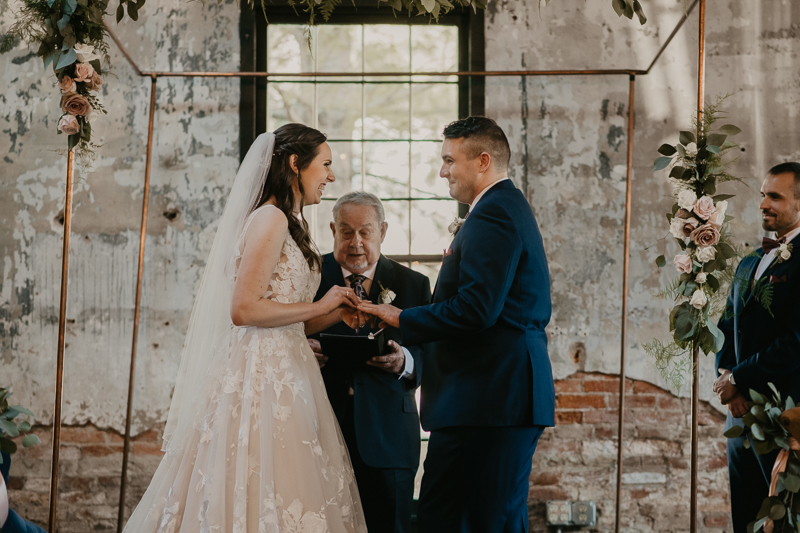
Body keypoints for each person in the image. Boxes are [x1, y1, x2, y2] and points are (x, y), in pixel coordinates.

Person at [122, 125, 367, 533]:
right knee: (255, 482)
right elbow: (244, 309)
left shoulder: (293, 223)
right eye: (325, 165)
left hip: (291, 369)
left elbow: (291, 317)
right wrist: (320, 302)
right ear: (295, 164)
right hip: (259, 377)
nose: (331, 176)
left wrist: (336, 312)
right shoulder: (269, 218)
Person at [359, 116, 554, 533]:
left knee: (470, 520)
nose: (443, 170)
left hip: (489, 400)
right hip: (490, 399)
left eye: (449, 160)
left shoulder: (495, 213)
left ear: (483, 160)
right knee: (480, 519)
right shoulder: (499, 209)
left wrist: (401, 316)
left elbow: (476, 309)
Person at [308, 192, 431, 533]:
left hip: (388, 433)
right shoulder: (309, 276)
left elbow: (431, 355)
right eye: (346, 232)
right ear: (332, 229)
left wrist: (403, 361)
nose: (356, 243)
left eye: (366, 232)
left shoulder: (413, 284)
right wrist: (304, 353)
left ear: (383, 231)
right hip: (317, 426)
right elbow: (280, 336)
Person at [713, 162, 800, 533]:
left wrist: (740, 377)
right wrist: (726, 379)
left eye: (775, 196)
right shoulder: (750, 260)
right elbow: (726, 326)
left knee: (781, 521)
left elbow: (796, 341)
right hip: (740, 415)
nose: (764, 202)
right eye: (763, 194)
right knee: (745, 519)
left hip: (784, 415)